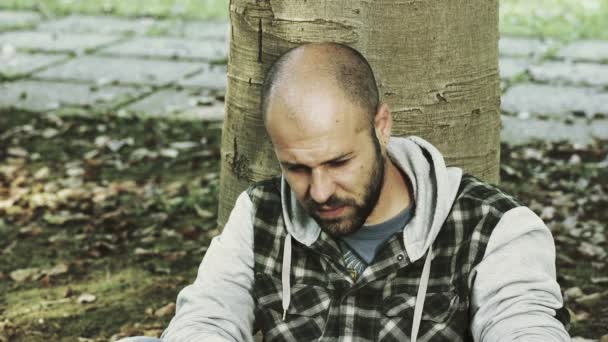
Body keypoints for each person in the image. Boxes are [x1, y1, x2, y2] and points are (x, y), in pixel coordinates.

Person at [133, 42, 570, 341]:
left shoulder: (492, 228)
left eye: (338, 162)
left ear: (382, 126)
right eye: (297, 168)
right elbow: (207, 316)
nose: (320, 192)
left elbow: (524, 321)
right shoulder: (259, 214)